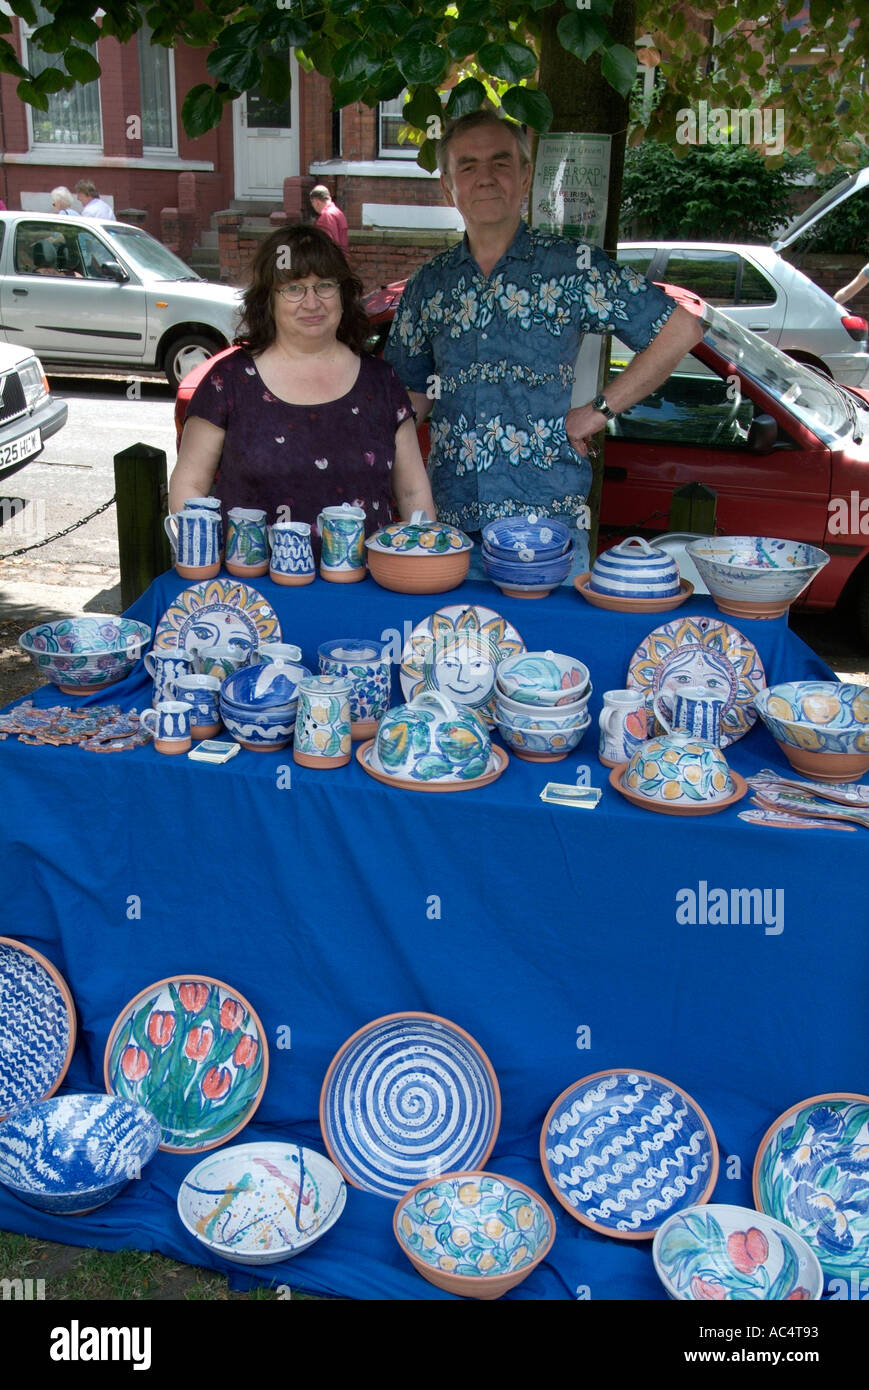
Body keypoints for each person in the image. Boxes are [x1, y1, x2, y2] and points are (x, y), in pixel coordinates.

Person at [383, 110, 704, 571]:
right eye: (468, 166)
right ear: (447, 186)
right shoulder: (429, 284)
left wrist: (596, 413)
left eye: (501, 162)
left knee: (549, 646)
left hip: (549, 521)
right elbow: (409, 398)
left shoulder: (572, 267)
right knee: (461, 645)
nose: (486, 178)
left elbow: (680, 330)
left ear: (526, 174)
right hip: (451, 525)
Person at [169, 225, 435, 546]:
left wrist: (421, 561)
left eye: (324, 286)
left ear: (342, 294)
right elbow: (190, 487)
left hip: (364, 588)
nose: (312, 302)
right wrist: (202, 560)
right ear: (268, 299)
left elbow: (412, 493)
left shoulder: (381, 382)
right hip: (253, 591)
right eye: (294, 288)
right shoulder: (228, 381)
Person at [310, 185, 349, 253]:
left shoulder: (326, 216)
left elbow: (327, 244)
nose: (312, 206)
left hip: (331, 260)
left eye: (312, 202)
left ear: (316, 202)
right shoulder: (338, 212)